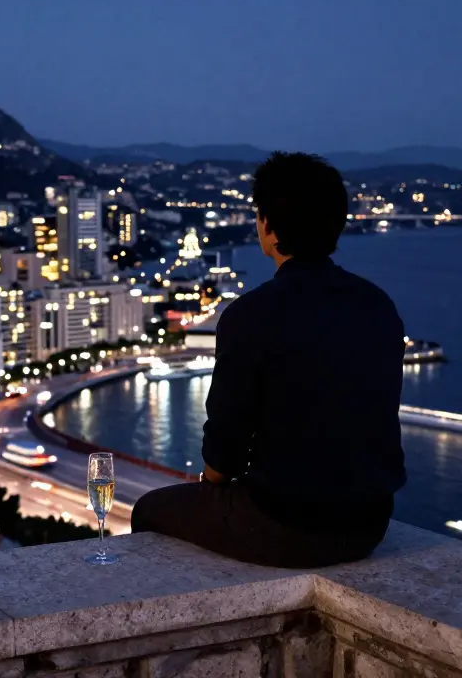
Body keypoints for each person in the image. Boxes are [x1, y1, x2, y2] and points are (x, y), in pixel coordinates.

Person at [130, 151, 406, 568]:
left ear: (267, 226)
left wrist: (211, 485)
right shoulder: (378, 305)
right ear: (337, 223)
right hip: (370, 524)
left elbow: (224, 450)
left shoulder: (250, 315)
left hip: (287, 526)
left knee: (149, 510)